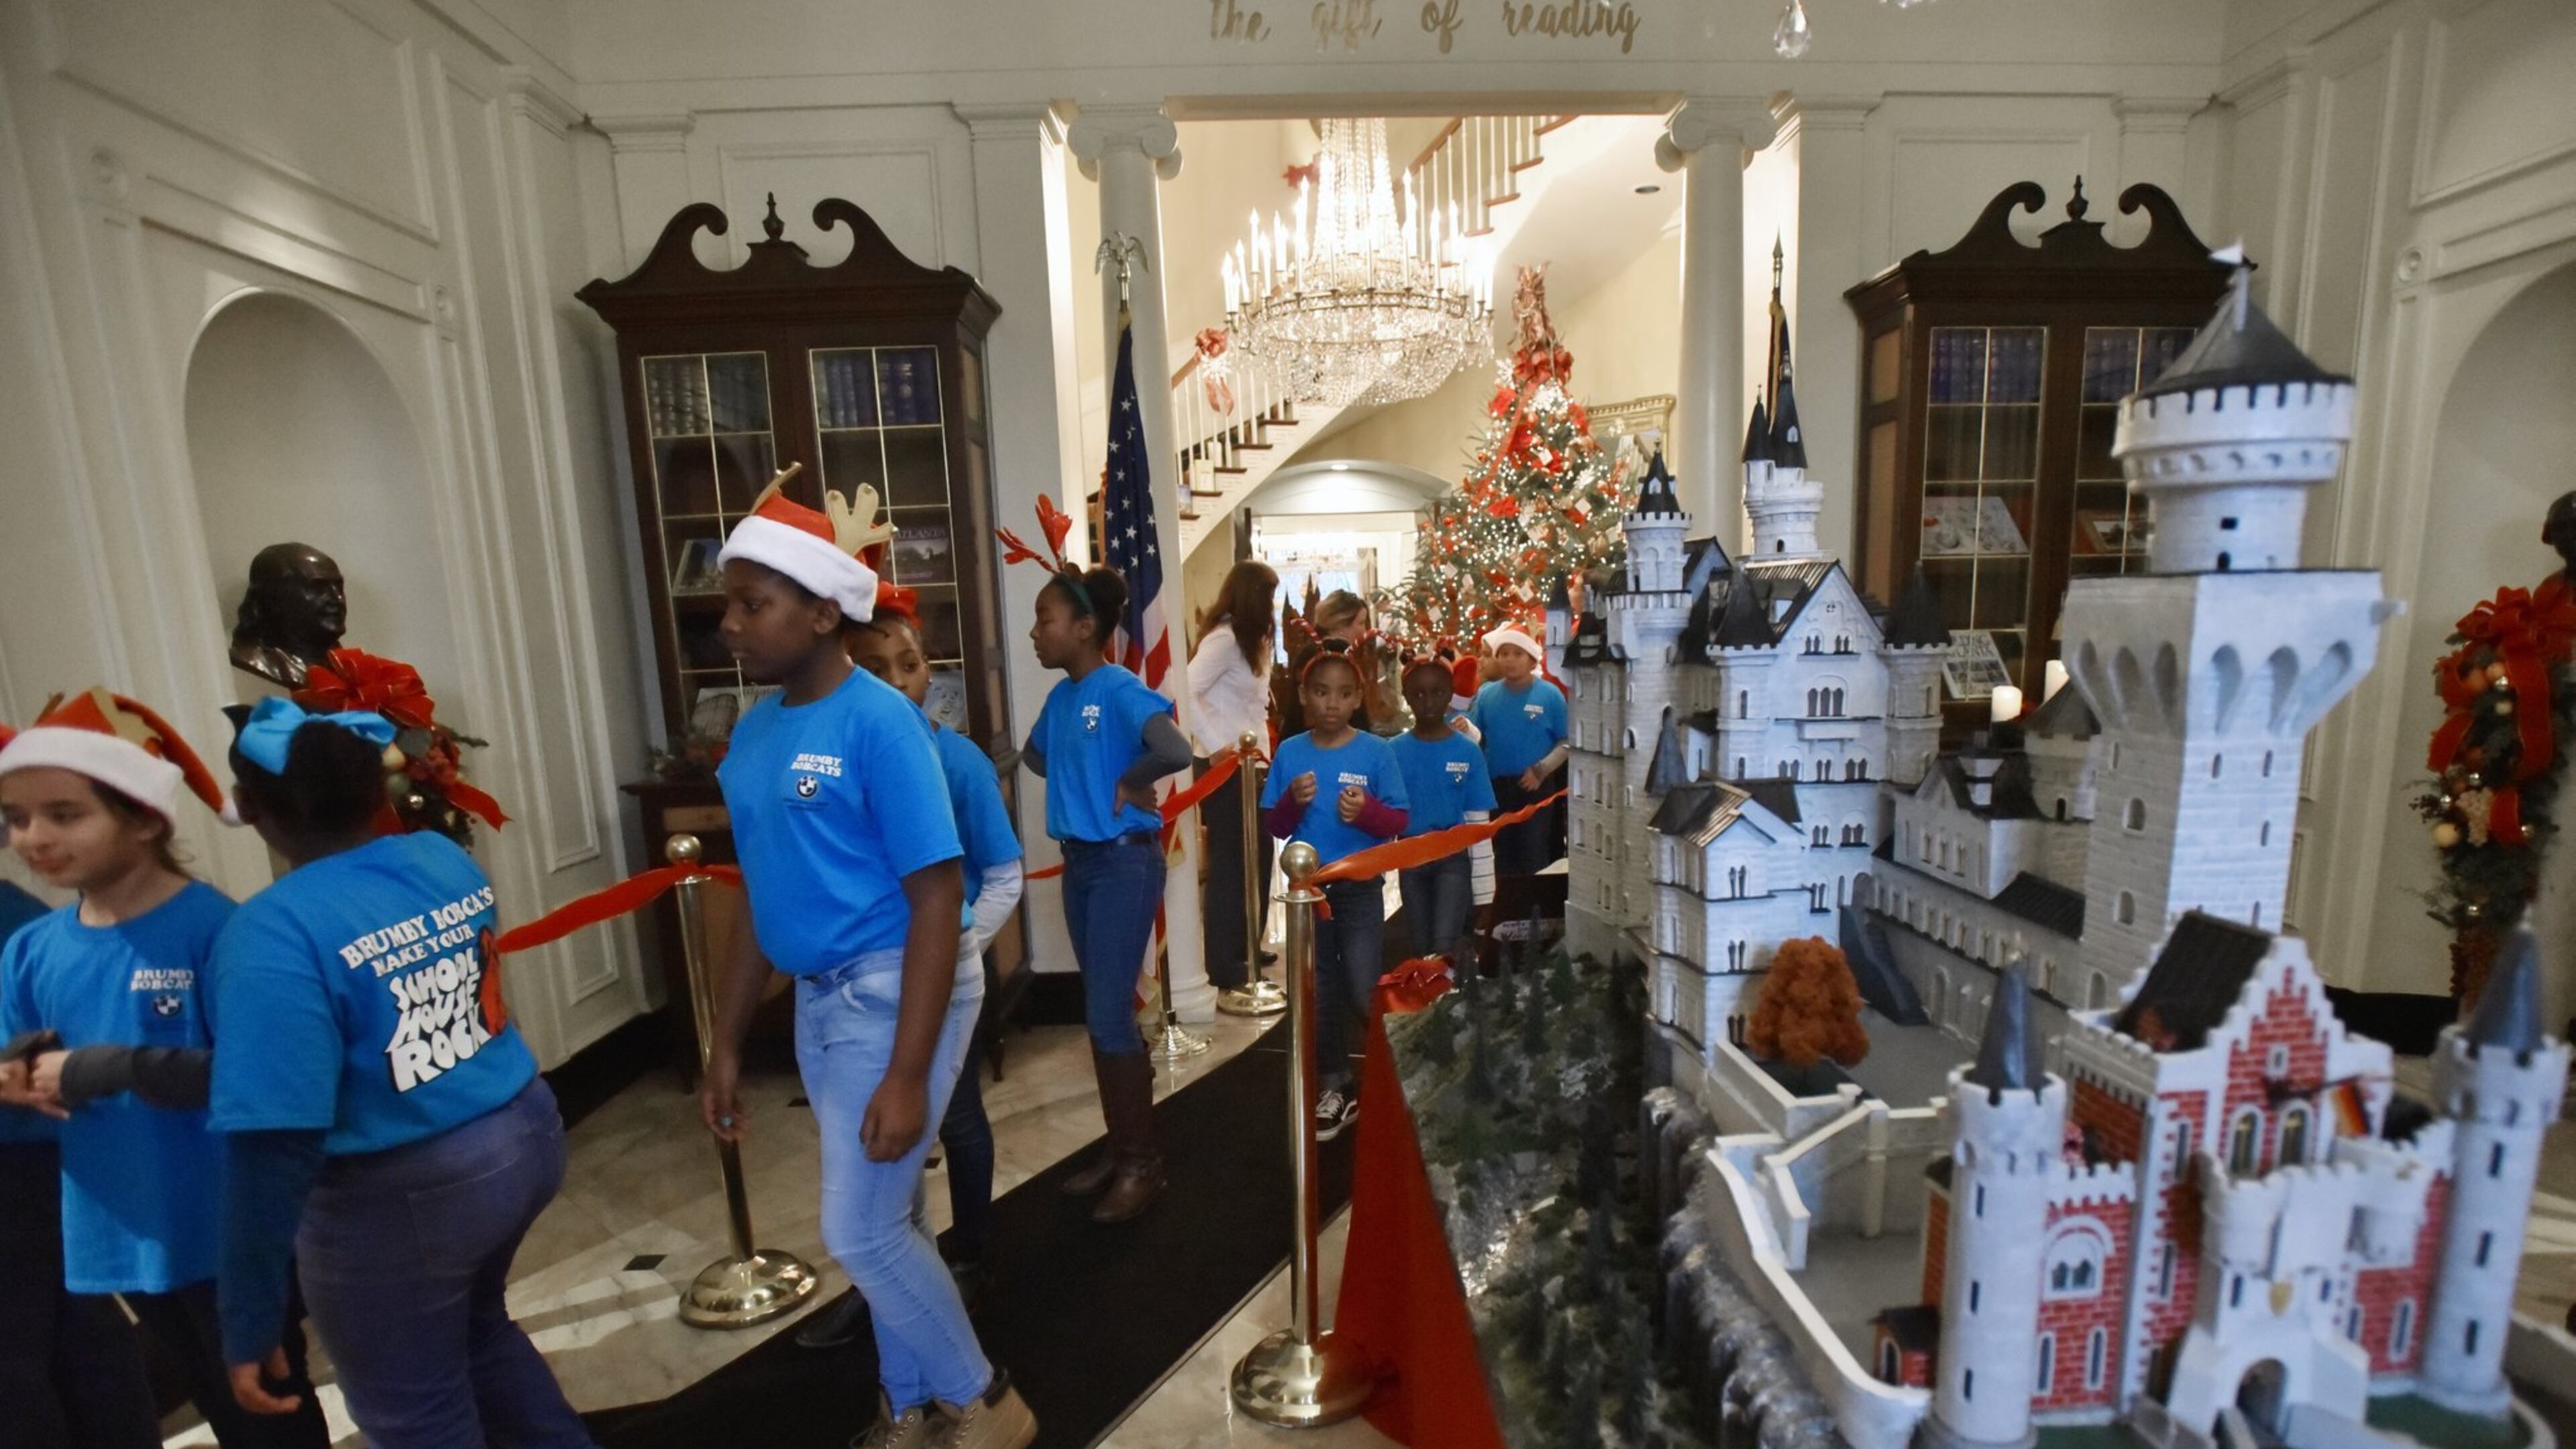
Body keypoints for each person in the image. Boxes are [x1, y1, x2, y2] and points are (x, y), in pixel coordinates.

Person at [699, 486, 1034, 1449]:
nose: (731, 625)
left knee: (860, 1231)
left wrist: (905, 1072)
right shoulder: (756, 732)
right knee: (894, 1219)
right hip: (822, 999)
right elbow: (760, 895)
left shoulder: (880, 723)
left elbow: (937, 898)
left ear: (821, 612)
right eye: (728, 603)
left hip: (897, 988)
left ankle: (986, 1402)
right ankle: (907, 1406)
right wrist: (727, 1041)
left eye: (753, 604)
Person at [209, 696, 590, 1449]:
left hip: (406, 1193)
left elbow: (274, 1138)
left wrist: (249, 1314)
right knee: (481, 1335)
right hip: (523, 1134)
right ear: (376, 787)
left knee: (414, 1414)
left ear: (248, 808)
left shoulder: (272, 930)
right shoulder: (440, 857)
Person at [0, 690, 329, 1449]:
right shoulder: (31, 949)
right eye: (16, 818)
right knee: (217, 1399)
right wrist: (15, 1077)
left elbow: (261, 1078)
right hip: (122, 1231)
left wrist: (106, 1069)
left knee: (269, 1408)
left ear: (145, 819)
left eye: (64, 814)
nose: (34, 837)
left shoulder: (217, 930)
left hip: (230, 1232)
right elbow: (21, 1060)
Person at [798, 606, 1022, 1350]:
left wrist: (950, 953)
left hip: (939, 976)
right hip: (860, 987)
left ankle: (972, 1258)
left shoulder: (957, 763)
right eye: (876, 668)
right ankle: (885, 1280)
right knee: (871, 1144)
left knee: (955, 1119)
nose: (899, 682)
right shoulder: (837, 754)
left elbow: (1003, 873)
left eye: (912, 664)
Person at [1023, 565, 1192, 1223]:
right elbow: (1036, 755)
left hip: (1124, 863)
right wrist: (1085, 772)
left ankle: (1141, 1165)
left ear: (1084, 627)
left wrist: (1127, 779)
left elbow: (1174, 749)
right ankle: (1121, 1148)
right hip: (1081, 864)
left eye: (1045, 619)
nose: (1035, 632)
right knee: (1104, 1012)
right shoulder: (1062, 698)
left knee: (1107, 1014)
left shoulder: (1118, 687)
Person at [0, 862, 164, 1449]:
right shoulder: (23, 916)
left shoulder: (18, 923)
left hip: (27, 1158)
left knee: (38, 1363)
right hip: (47, 1158)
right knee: (84, 1344)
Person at [1261, 644, 1407, 1140]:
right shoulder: (1290, 752)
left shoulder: (1376, 752)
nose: (1332, 703)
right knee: (1320, 990)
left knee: (1363, 986)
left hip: (1361, 888)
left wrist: (1367, 812)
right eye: (1322, 692)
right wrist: (1290, 801)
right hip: (1309, 893)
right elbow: (1275, 825)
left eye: (1344, 694)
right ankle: (1336, 1084)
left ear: (1358, 698)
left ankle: (1393, 1072)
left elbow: (1398, 820)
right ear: (1305, 695)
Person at [1185, 559, 1278, 994]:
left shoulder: (1253, 642)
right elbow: (1185, 690)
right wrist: (1213, 742)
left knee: (1258, 856)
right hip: (1223, 766)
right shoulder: (1223, 640)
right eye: (1267, 596)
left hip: (1252, 764)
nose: (1271, 605)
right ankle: (1224, 961)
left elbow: (1255, 708)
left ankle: (1247, 946)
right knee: (1230, 863)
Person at [1391, 657, 1495, 962]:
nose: (1428, 702)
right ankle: (1429, 991)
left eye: (1437, 693)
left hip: (1453, 858)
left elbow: (1479, 825)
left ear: (1450, 694)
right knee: (1421, 945)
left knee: (1445, 943)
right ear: (1406, 697)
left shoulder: (1467, 750)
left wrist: (1485, 892)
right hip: (1411, 858)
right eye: (1418, 694)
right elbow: (1384, 815)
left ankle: (1451, 989)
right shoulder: (1392, 751)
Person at [1467, 624, 1568, 879]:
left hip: (1536, 789)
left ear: (1532, 659)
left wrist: (1542, 770)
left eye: (1517, 654)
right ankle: (1505, 904)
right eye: (1504, 654)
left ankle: (1535, 903)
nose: (1510, 660)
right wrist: (1463, 728)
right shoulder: (1486, 695)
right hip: (1498, 791)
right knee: (1502, 857)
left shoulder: (1550, 695)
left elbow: (1567, 742)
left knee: (1534, 855)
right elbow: (1475, 738)